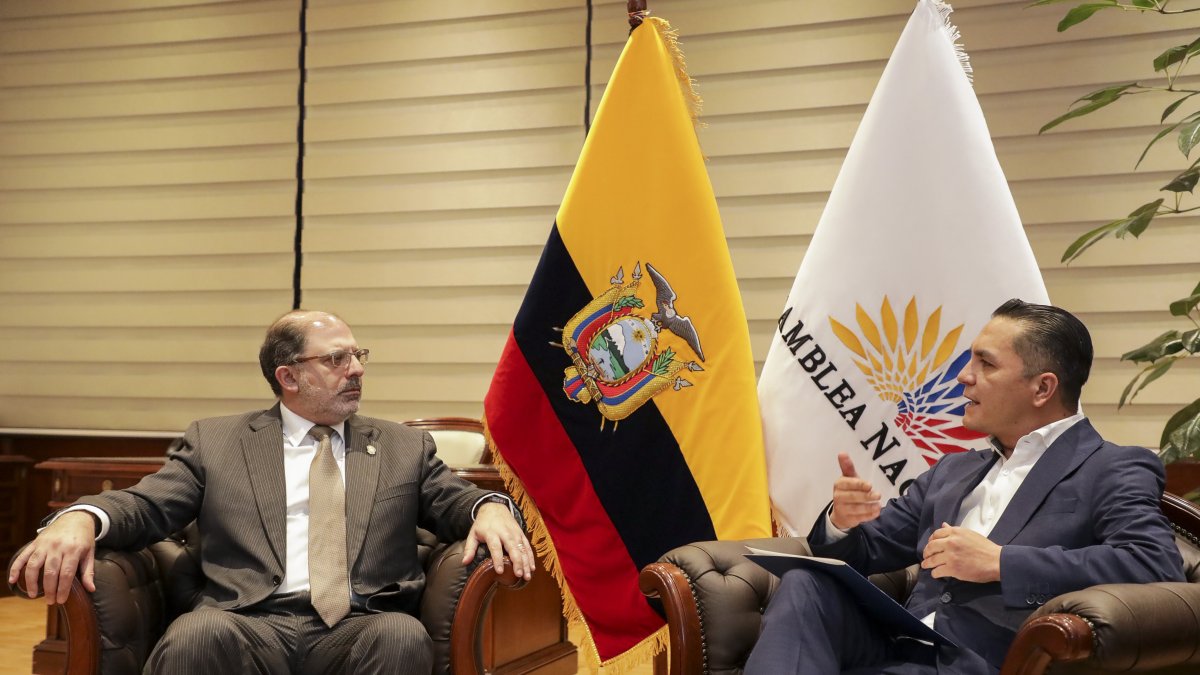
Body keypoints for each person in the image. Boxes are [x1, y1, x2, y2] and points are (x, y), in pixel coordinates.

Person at [8, 309, 535, 675]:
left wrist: (488, 506)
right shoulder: (217, 442)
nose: (356, 369)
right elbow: (148, 504)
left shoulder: (402, 446)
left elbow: (453, 498)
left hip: (362, 623)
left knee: (401, 637)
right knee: (196, 636)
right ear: (288, 376)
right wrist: (79, 518)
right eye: (335, 360)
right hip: (244, 621)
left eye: (358, 355)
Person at [745, 299, 1185, 675]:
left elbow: (1153, 565)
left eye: (985, 363)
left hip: (989, 660)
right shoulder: (952, 470)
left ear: (1042, 388)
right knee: (806, 583)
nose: (963, 377)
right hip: (900, 646)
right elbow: (862, 554)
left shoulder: (1112, 467)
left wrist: (1002, 562)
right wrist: (842, 522)